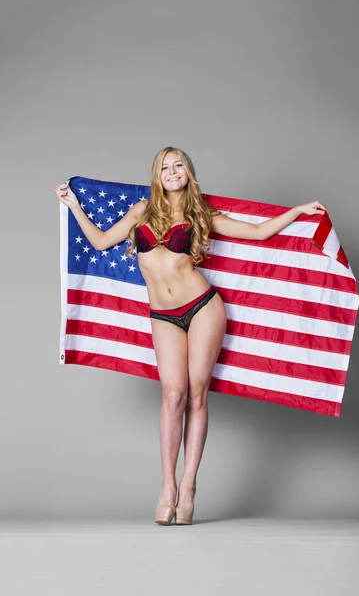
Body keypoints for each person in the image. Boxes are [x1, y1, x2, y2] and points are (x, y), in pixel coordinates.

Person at [55, 146, 326, 525]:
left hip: (203, 308)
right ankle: (167, 487)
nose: (171, 171)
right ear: (156, 174)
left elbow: (258, 232)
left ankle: (189, 484)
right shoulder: (141, 212)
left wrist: (297, 211)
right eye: (164, 167)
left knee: (197, 394)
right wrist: (73, 207)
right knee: (173, 395)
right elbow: (101, 242)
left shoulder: (201, 214)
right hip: (164, 315)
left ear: (188, 171)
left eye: (178, 164)